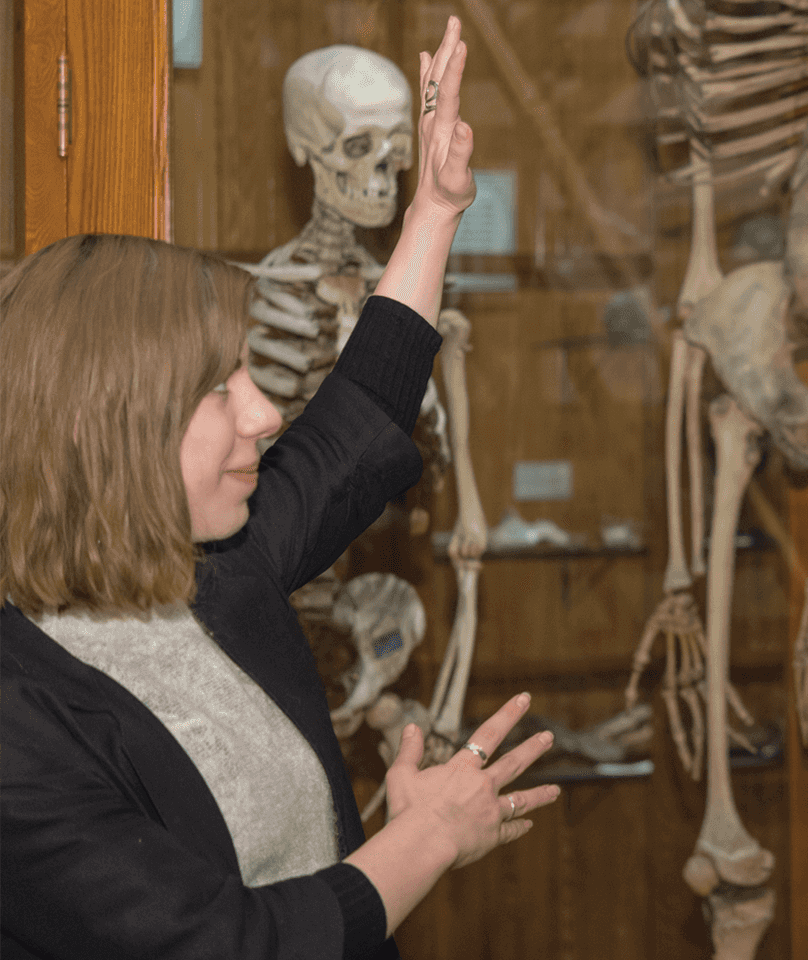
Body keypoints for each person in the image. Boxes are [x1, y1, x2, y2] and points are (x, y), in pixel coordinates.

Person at [0, 19, 560, 959]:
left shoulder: (218, 571)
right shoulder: (20, 716)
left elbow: (358, 418)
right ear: (114, 425)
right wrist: (425, 838)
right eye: (221, 388)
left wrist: (434, 210)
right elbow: (223, 942)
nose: (264, 413)